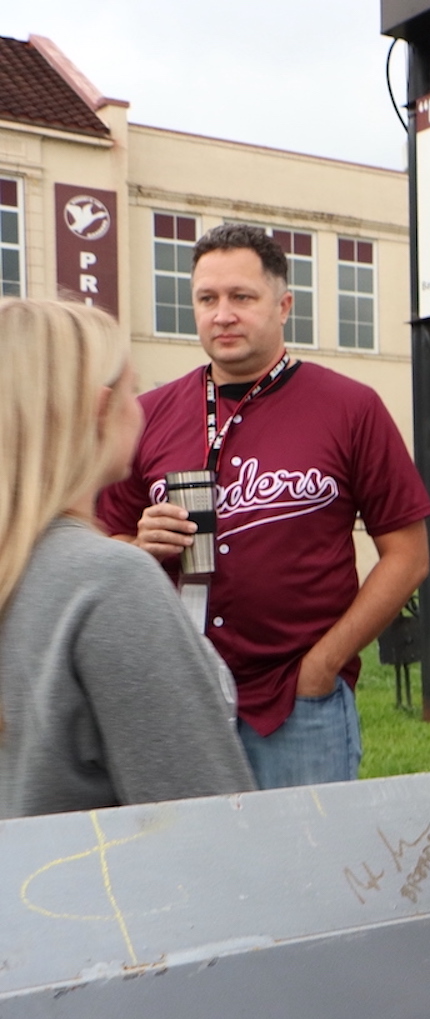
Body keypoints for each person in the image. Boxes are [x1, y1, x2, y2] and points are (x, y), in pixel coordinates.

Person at [98, 224, 430, 789]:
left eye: (241, 297)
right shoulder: (145, 414)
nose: (222, 314)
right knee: (197, 867)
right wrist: (137, 544)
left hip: (298, 702)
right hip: (181, 697)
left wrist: (323, 666)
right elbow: (97, 546)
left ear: (283, 306)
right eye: (207, 299)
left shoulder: (350, 407)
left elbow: (408, 555)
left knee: (310, 868)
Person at [1, 299, 254, 817]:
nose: (141, 410)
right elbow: (208, 821)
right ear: (99, 410)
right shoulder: (108, 581)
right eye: (133, 391)